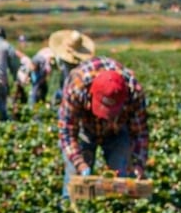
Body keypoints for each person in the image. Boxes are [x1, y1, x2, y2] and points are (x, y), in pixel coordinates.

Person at [58, 56, 149, 199]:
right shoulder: (76, 86)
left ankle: (120, 211)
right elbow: (67, 132)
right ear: (91, 93)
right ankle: (69, 209)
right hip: (85, 128)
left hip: (117, 130)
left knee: (122, 181)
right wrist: (80, 164)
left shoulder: (134, 92)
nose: (105, 117)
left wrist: (139, 164)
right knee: (74, 183)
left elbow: (140, 133)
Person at [48, 29, 95, 105]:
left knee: (64, 89)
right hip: (69, 78)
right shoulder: (64, 58)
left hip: (71, 78)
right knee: (65, 90)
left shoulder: (64, 57)